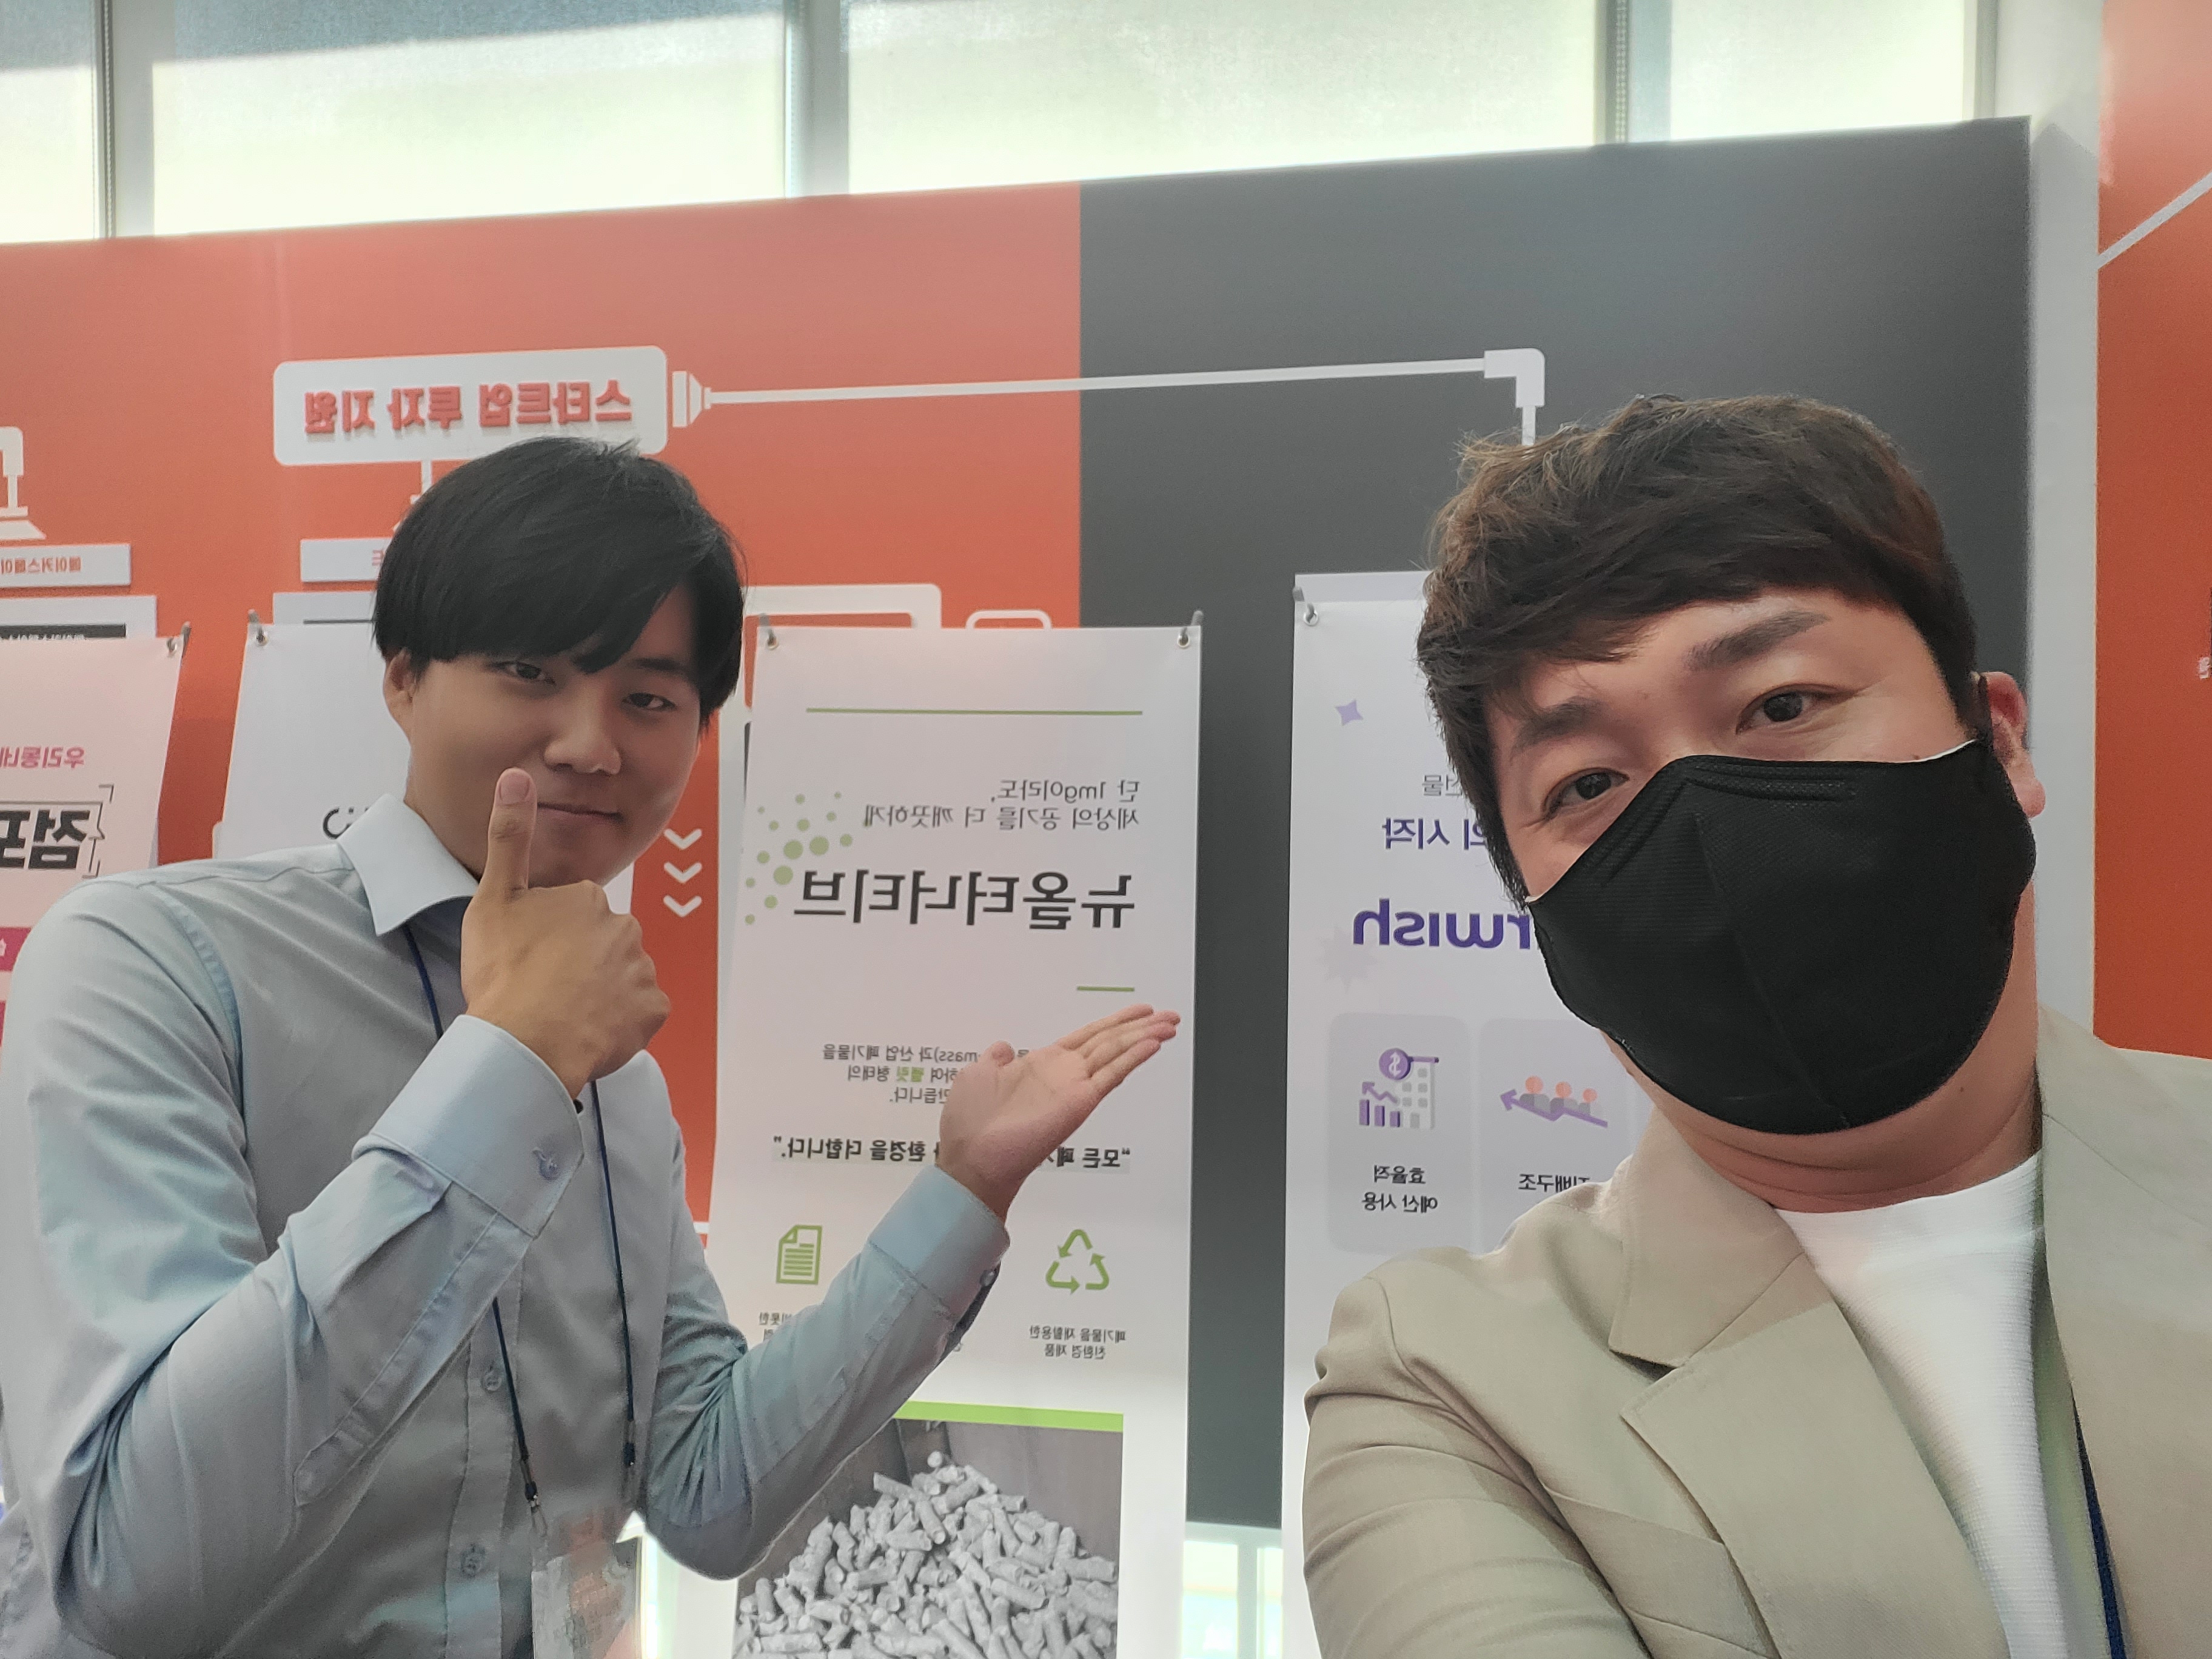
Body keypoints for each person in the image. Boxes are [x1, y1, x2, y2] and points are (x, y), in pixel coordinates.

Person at [0, 436, 1178, 1657]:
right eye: (529, 671)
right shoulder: (154, 967)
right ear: (403, 677)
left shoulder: (620, 1086)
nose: (589, 743)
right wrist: (508, 1067)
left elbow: (711, 1493)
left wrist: (965, 1190)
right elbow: (129, 1564)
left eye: (649, 699)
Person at [1302, 395, 2206, 1659]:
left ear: (1997, 742)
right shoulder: (1447, 1387)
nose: (1704, 824)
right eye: (1588, 784)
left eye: (1782, 705)